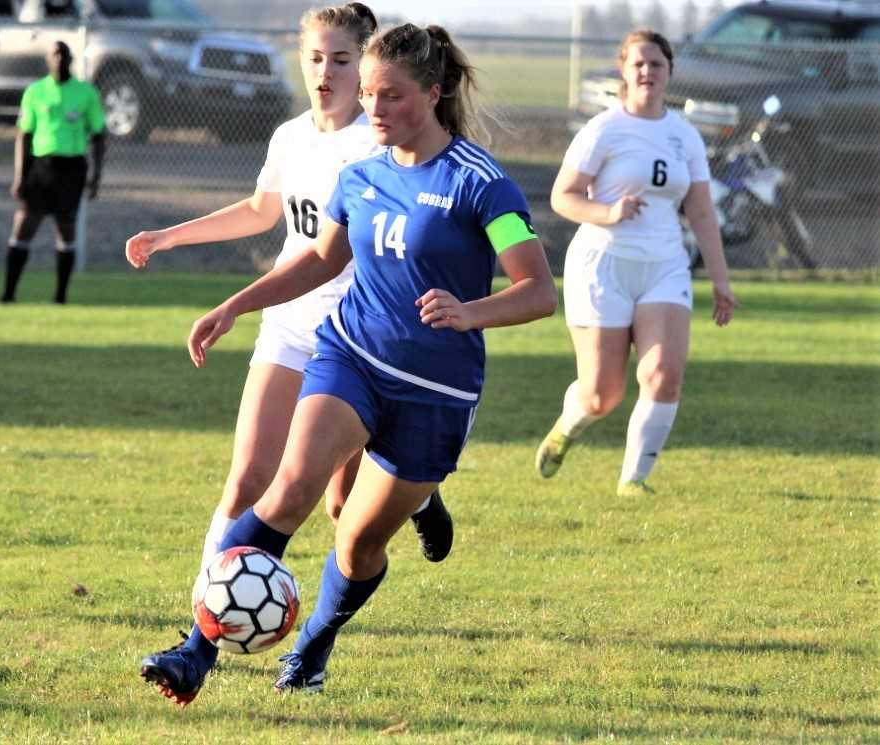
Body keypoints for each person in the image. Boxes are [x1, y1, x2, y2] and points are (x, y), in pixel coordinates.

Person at [138, 22, 557, 706]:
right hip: (351, 358)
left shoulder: (483, 184)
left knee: (358, 542)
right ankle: (194, 650)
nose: (375, 110)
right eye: (368, 95)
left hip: (436, 392)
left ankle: (313, 647)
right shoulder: (359, 175)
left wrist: (469, 311)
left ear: (433, 90)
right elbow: (320, 259)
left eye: (391, 96)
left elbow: (537, 289)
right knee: (286, 491)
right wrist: (236, 305)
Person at [125, 3, 455, 577]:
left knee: (339, 507)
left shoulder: (379, 147)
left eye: (342, 59)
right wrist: (169, 237)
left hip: (358, 340)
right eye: (314, 58)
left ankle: (419, 494)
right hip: (290, 324)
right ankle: (209, 615)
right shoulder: (289, 137)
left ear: (366, 65)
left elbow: (342, 254)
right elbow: (260, 211)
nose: (326, 72)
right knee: (248, 479)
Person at [534, 29, 738, 497]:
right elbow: (562, 197)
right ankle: (568, 424)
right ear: (624, 71)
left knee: (663, 375)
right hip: (603, 266)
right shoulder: (605, 128)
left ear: (669, 72)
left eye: (657, 64)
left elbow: (701, 211)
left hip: (664, 265)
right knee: (602, 395)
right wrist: (609, 212)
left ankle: (634, 482)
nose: (647, 71)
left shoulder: (684, 134)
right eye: (638, 64)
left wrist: (722, 282)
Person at [0, 40, 105, 305]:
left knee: (66, 228)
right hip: (41, 166)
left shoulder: (86, 93)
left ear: (71, 59)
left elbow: (99, 135)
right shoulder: (35, 92)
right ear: (48, 59)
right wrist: (19, 177)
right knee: (24, 224)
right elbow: (24, 135)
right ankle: (9, 294)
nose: (59, 59)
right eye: (54, 54)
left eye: (64, 54)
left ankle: (60, 297)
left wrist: (96, 177)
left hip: (72, 168)